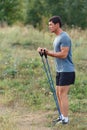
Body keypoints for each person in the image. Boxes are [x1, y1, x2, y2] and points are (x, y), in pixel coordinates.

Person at [37, 16, 75, 124]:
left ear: (57, 24)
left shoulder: (64, 37)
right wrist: (44, 51)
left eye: (51, 24)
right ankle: (62, 116)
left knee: (62, 94)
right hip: (60, 70)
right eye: (49, 25)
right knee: (58, 93)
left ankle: (66, 120)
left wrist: (48, 52)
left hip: (67, 70)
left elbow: (63, 54)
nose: (49, 27)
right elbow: (57, 53)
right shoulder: (57, 37)